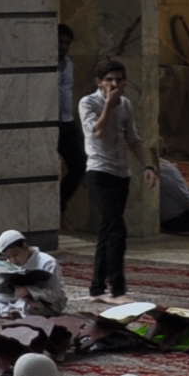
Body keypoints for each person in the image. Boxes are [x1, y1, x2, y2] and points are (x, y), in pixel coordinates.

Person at [78, 59, 138, 300]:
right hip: (98, 171)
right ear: (99, 82)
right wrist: (108, 107)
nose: (114, 84)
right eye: (109, 80)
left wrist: (149, 166)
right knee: (116, 229)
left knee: (107, 229)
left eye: (119, 80)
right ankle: (117, 286)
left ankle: (97, 287)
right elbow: (97, 132)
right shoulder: (88, 102)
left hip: (121, 173)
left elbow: (133, 138)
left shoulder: (126, 104)